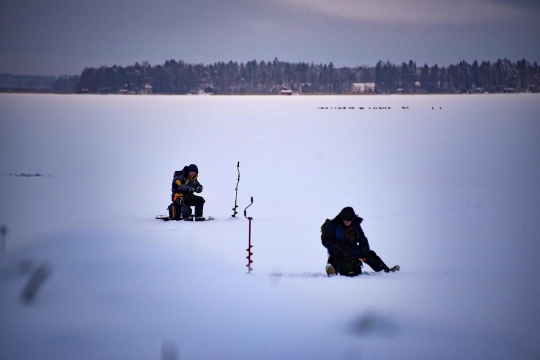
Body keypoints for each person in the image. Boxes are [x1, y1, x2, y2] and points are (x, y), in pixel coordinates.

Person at [321, 206, 399, 276]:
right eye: (346, 220)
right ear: (342, 218)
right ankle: (331, 271)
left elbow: (362, 238)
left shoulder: (356, 225)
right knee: (338, 256)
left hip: (353, 248)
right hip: (338, 248)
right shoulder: (333, 224)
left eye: (349, 220)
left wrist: (365, 248)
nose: (348, 222)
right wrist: (334, 248)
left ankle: (386, 271)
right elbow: (325, 239)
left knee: (369, 254)